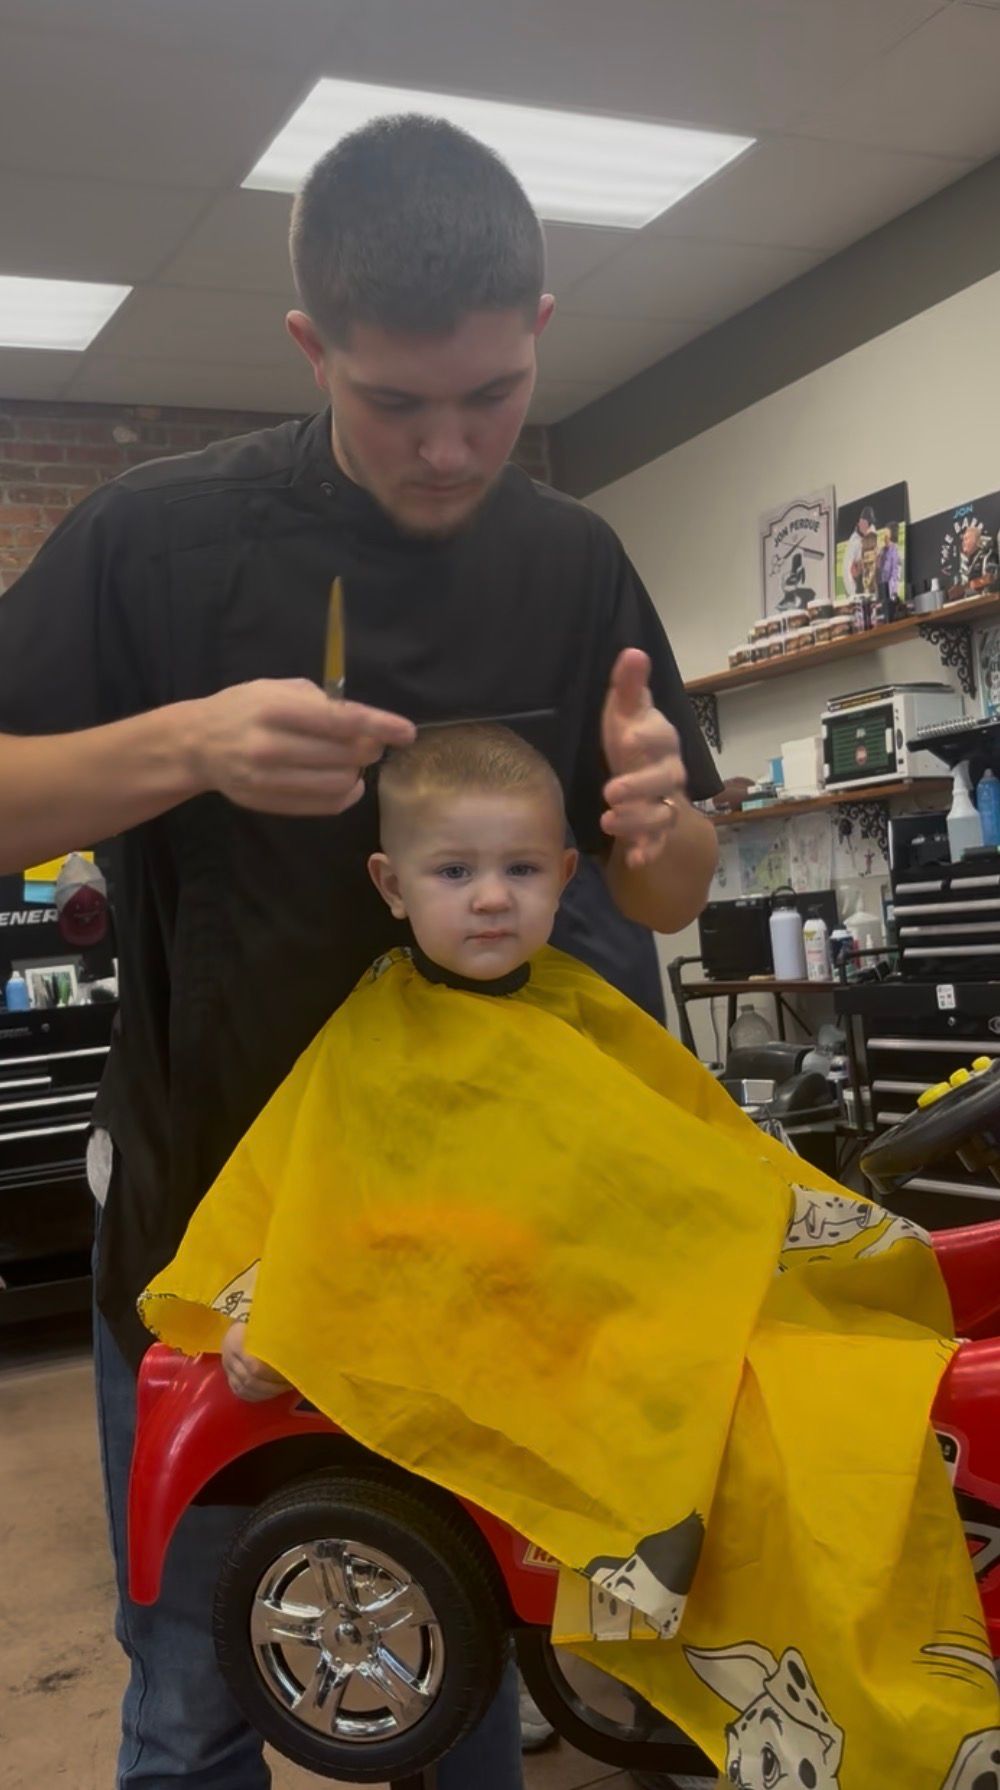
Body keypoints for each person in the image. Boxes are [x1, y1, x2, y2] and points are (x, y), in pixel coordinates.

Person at [0, 116, 719, 1790]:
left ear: (541, 329)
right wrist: (184, 744)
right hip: (213, 1242)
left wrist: (667, 811)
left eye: (493, 394)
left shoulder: (572, 561)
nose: (456, 447)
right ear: (312, 346)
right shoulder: (154, 542)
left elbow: (670, 890)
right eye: (399, 403)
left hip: (487, 1258)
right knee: (193, 1685)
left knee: (455, 1685)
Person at [142, 723, 1000, 1790]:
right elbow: (322, 1201)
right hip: (532, 1349)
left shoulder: (581, 1007)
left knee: (851, 1356)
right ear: (392, 882)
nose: (489, 898)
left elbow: (691, 1166)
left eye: (515, 871)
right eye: (453, 871)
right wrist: (265, 1315)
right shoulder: (376, 1042)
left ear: (559, 878)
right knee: (790, 1425)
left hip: (637, 1307)